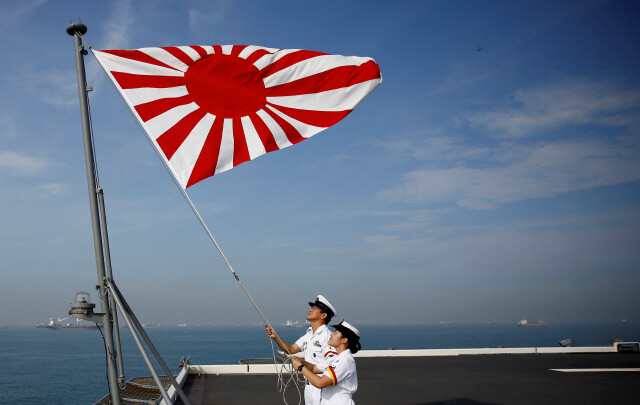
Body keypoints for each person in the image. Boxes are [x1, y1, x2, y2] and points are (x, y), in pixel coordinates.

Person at [266, 295, 337, 405]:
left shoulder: (328, 337)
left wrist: (303, 365)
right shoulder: (309, 335)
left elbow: (331, 365)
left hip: (322, 388)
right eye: (311, 307)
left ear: (323, 315)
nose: (310, 310)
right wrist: (275, 336)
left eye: (315, 308)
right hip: (309, 387)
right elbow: (290, 349)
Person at [291, 320, 361, 405]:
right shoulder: (338, 358)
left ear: (344, 340)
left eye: (335, 333)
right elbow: (314, 368)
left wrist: (301, 367)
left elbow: (321, 383)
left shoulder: (344, 359)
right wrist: (302, 361)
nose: (331, 334)